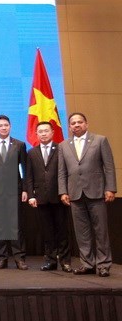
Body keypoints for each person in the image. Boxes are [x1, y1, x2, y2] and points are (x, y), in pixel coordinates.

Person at [58, 112, 117, 277]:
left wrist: (110, 188)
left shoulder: (100, 140)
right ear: (69, 127)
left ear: (86, 124)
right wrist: (63, 191)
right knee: (82, 232)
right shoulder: (64, 145)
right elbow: (62, 171)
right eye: (73, 123)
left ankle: (104, 264)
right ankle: (87, 263)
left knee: (101, 231)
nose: (76, 125)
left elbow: (109, 167)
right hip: (75, 194)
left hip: (97, 192)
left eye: (79, 122)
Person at [0, 115, 28, 270]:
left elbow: (25, 169)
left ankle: (19, 258)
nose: (3, 128)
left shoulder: (19, 145)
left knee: (15, 226)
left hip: (15, 190)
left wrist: (26, 189)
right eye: (0, 125)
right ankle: (2, 258)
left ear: (10, 127)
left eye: (6, 125)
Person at [26, 122, 72, 273]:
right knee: (47, 232)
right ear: (36, 134)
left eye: (46, 131)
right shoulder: (32, 152)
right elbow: (29, 177)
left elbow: (66, 172)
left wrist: (65, 191)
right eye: (40, 131)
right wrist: (31, 195)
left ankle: (65, 261)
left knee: (62, 231)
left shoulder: (61, 149)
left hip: (59, 196)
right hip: (41, 198)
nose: (43, 134)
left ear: (52, 132)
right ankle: (50, 260)